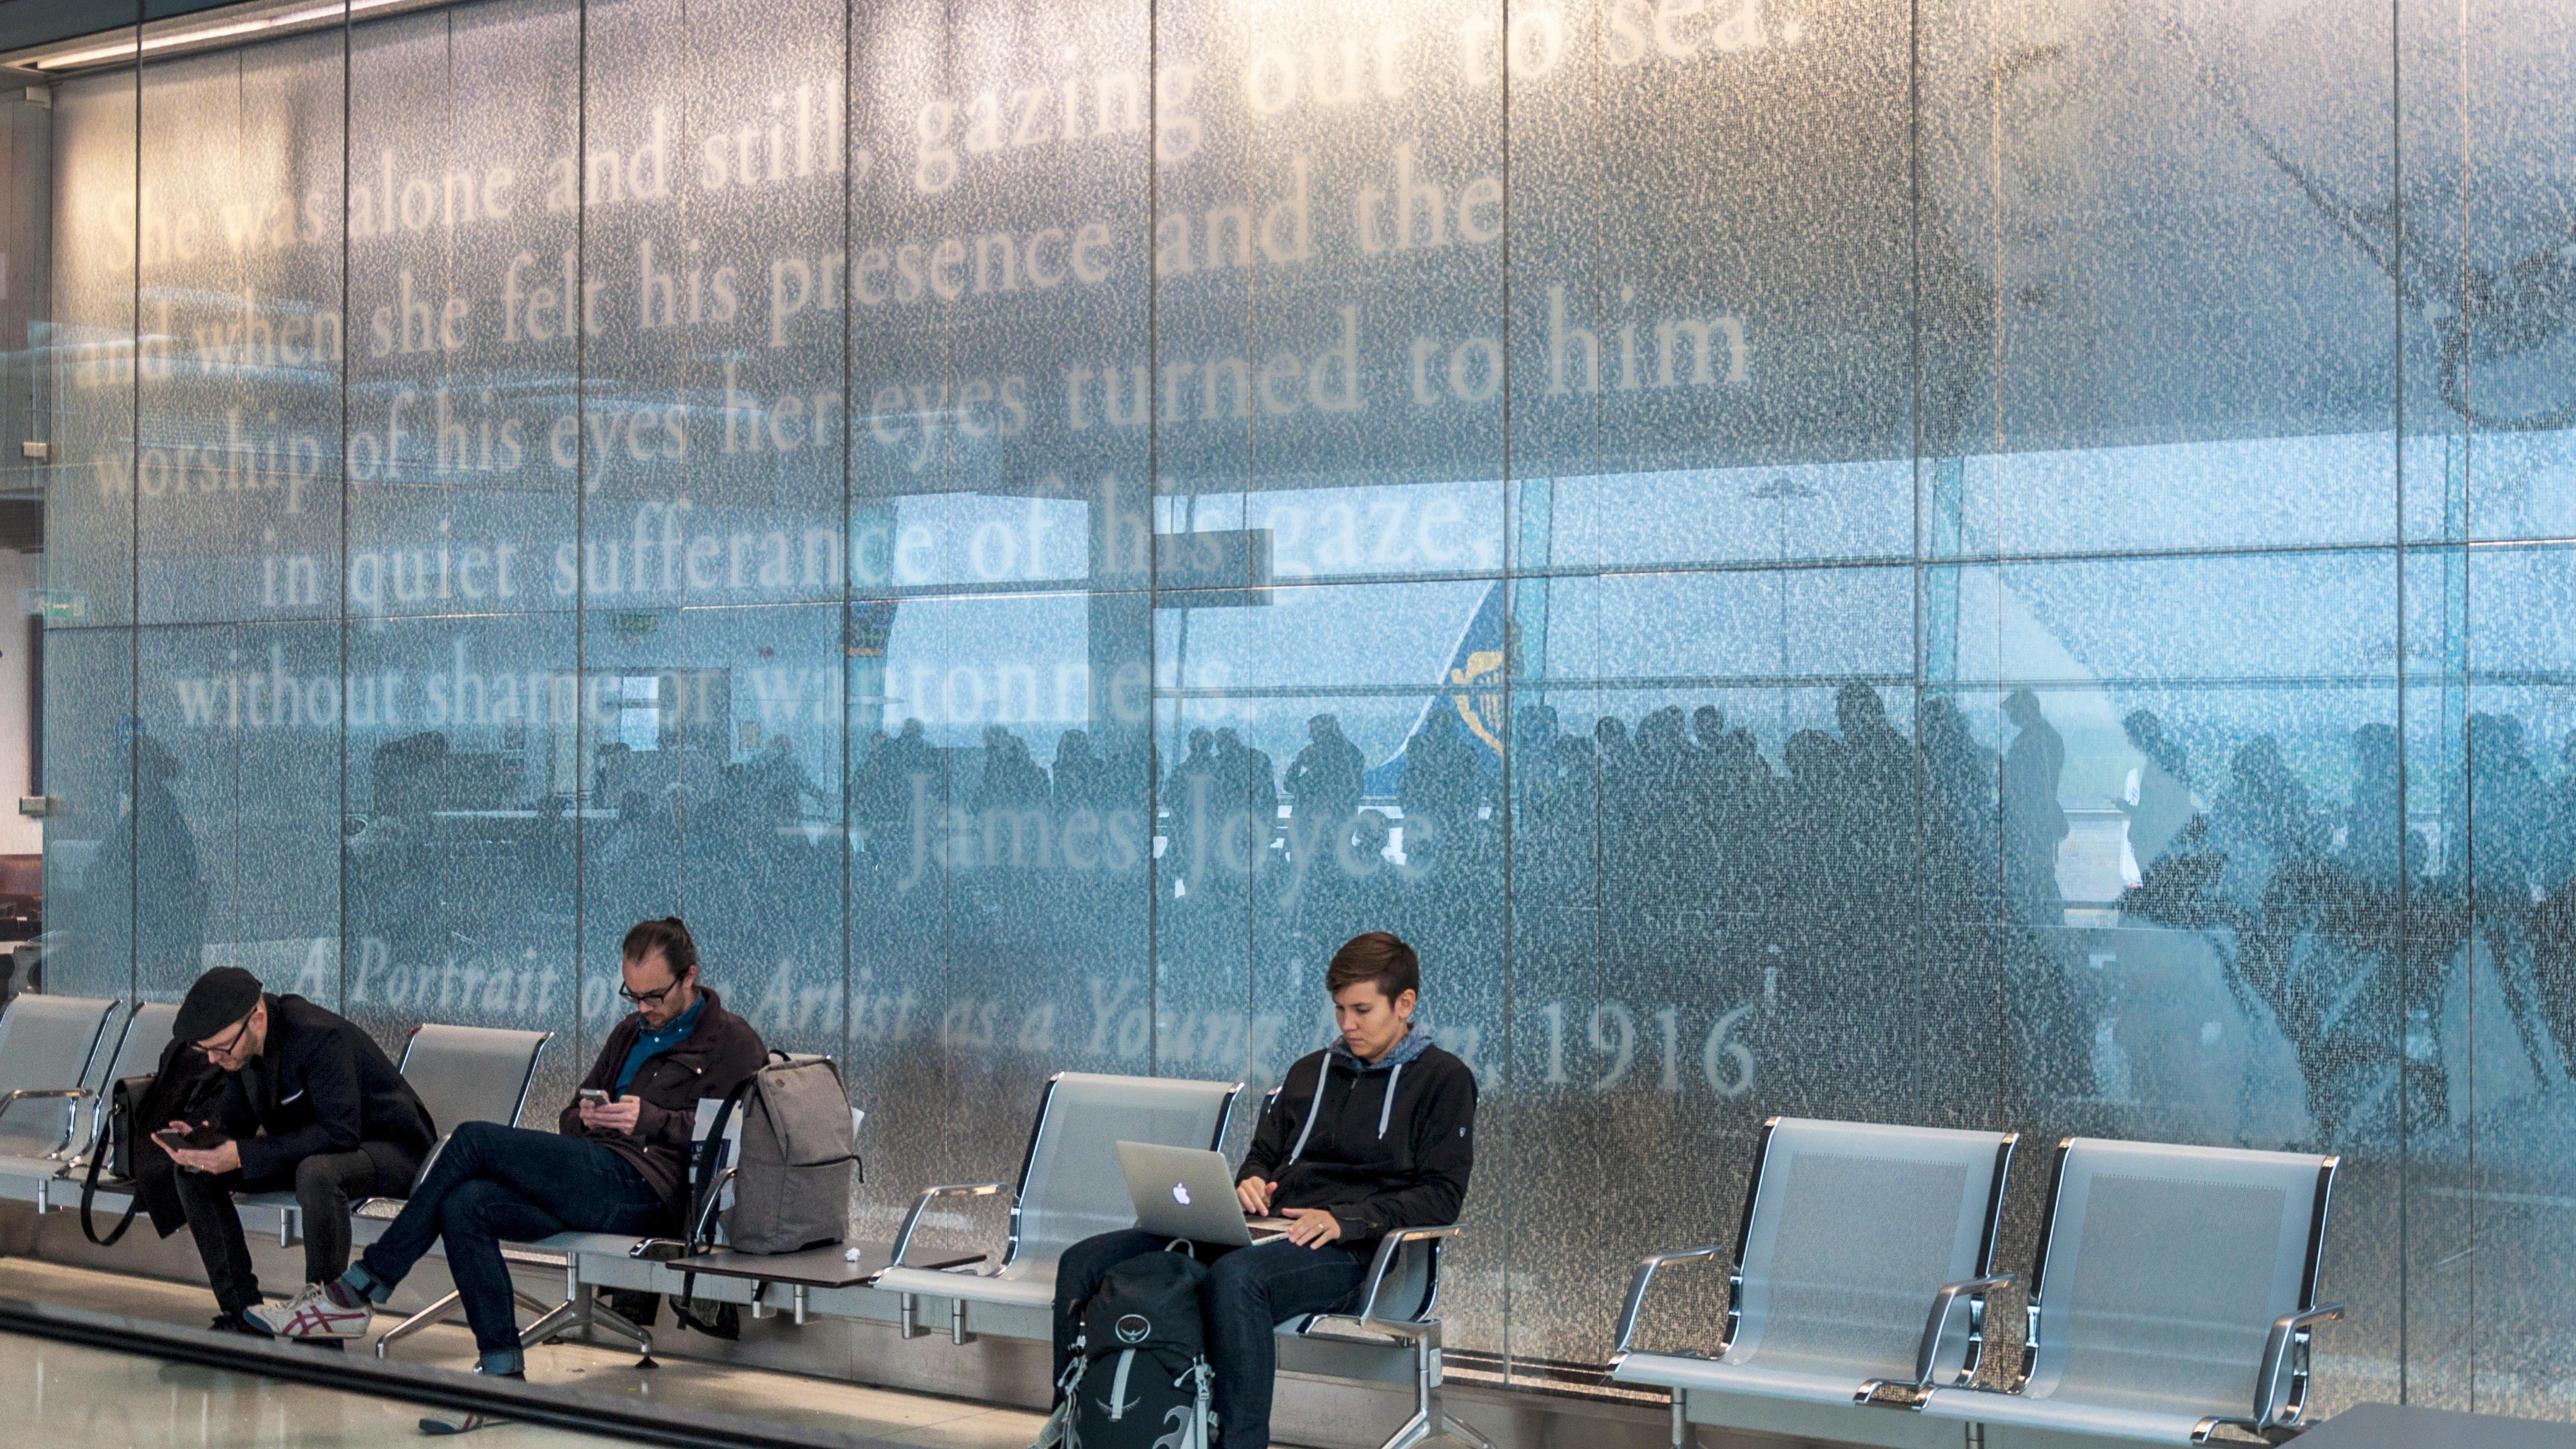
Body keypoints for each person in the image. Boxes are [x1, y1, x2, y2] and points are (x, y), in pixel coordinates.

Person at [252, 919, 765, 1432]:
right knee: (465, 1206)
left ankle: (362, 1286)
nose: (643, 1010)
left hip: (648, 1188)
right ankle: (501, 1377)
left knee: (472, 1139)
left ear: (690, 977)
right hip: (589, 1171)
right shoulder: (629, 1033)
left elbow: (745, 1137)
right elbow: (570, 1114)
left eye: (653, 997)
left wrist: (648, 1120)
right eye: (631, 997)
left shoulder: (731, 1041)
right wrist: (587, 1116)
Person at [1049, 932, 1476, 1449]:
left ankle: (1239, 1443)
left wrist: (1349, 1221)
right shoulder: (1309, 1072)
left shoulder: (1444, 1081)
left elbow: (1441, 1195)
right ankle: (1072, 1428)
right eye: (1339, 1009)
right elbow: (1262, 1157)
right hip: (1263, 1230)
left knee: (1235, 1280)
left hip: (1353, 1250)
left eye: (1362, 1010)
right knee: (1083, 1263)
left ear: (1405, 1003)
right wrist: (1249, 1183)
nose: (1347, 1025)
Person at [153, 967, 437, 1339]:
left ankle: (325, 1318)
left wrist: (242, 1156)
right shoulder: (239, 1053)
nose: (211, 1060)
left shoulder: (318, 1036)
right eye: (205, 1051)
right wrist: (205, 1140)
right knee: (195, 1172)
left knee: (318, 1173)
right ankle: (244, 1314)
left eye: (218, 1049)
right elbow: (237, 1125)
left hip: (395, 1150)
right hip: (315, 1152)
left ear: (256, 1020)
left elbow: (340, 1132)